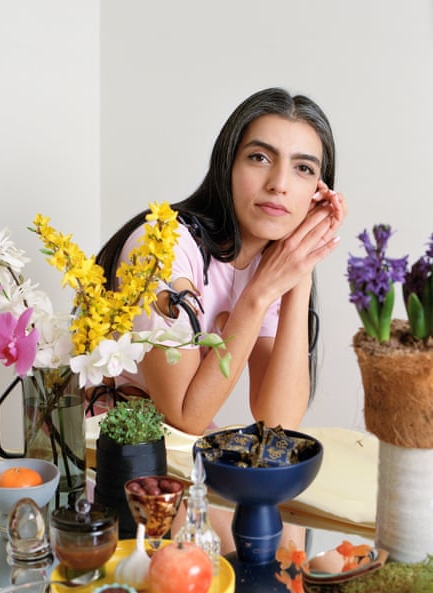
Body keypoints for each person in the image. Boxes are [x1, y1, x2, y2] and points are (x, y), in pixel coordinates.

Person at [97, 87, 347, 551]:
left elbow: (277, 420)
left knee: (283, 528)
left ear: (317, 193)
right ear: (227, 164)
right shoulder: (163, 247)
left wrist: (301, 272)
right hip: (114, 455)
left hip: (177, 453)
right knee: (251, 540)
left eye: (304, 169)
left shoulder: (267, 266)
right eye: (259, 157)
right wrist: (259, 296)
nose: (279, 183)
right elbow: (187, 415)